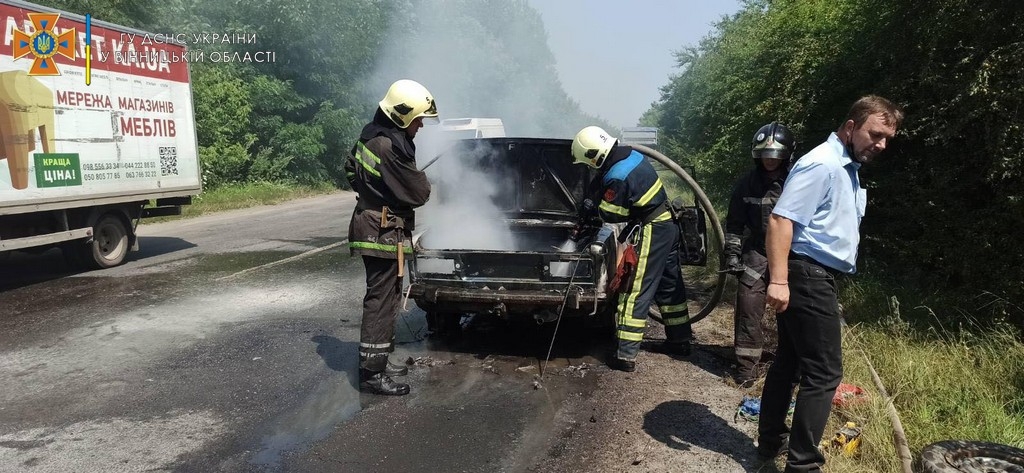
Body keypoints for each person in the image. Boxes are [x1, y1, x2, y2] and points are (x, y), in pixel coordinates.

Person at [757, 95, 903, 471]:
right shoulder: (822, 163)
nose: (882, 144)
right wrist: (778, 280)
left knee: (789, 363)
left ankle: (769, 443)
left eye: (888, 138)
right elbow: (780, 220)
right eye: (876, 134)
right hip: (808, 275)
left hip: (813, 274)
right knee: (824, 374)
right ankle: (803, 465)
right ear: (851, 127)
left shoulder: (847, 167)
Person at [570, 126, 693, 372]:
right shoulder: (630, 155)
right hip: (668, 225)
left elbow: (614, 214)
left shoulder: (617, 175)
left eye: (589, 162)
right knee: (669, 286)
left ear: (595, 155)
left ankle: (625, 354)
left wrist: (593, 207)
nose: (590, 167)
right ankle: (680, 341)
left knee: (635, 290)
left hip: (653, 229)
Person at [344, 79, 438, 396]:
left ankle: (380, 362)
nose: (421, 125)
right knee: (381, 303)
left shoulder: (371, 137)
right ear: (401, 116)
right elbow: (420, 192)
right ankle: (371, 374)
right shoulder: (387, 147)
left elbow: (349, 170)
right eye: (418, 119)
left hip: (379, 227)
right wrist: (409, 181)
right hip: (380, 232)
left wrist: (376, 191)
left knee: (389, 297)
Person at [722, 122, 796, 387]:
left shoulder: (798, 181)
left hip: (793, 255)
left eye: (775, 156)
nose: (769, 161)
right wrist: (732, 254)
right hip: (757, 252)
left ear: (786, 155)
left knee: (795, 311)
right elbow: (734, 225)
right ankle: (745, 370)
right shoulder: (747, 184)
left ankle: (792, 368)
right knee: (748, 305)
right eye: (765, 155)